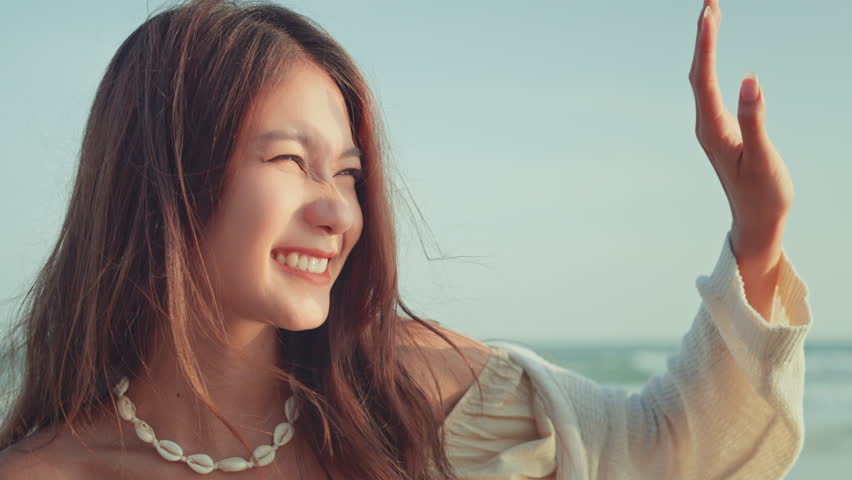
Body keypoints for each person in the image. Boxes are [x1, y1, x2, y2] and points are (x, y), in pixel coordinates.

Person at [0, 0, 812, 478]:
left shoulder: (417, 399)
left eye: (348, 175)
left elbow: (669, 449)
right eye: (290, 159)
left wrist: (757, 239)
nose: (339, 213)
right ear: (165, 174)